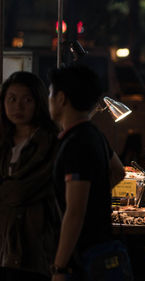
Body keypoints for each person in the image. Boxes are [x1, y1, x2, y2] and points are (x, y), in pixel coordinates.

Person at [47, 64, 127, 281]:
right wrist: (96, 193)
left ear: (61, 98)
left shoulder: (75, 143)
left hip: (82, 257)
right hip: (102, 248)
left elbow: (75, 212)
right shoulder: (94, 134)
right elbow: (119, 172)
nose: (49, 100)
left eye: (50, 93)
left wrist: (59, 268)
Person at [0, 72, 60, 281]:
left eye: (27, 99)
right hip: (4, 246)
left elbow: (19, 192)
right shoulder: (4, 142)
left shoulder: (50, 141)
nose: (18, 107)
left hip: (37, 246)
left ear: (39, 102)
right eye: (12, 99)